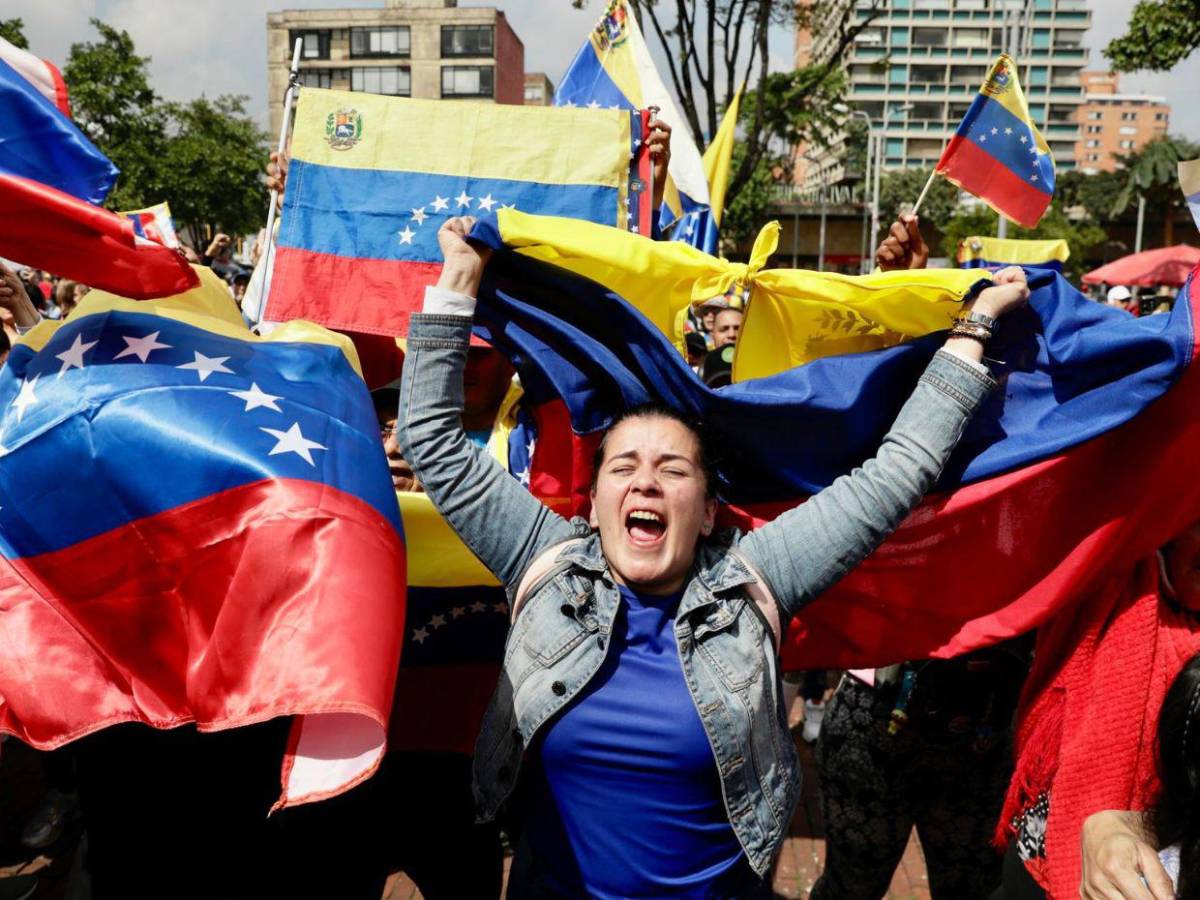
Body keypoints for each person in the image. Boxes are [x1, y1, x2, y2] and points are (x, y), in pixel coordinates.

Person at [396, 215, 1028, 897]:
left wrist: (976, 327)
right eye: (624, 467)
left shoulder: (756, 581)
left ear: (705, 512)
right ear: (594, 498)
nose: (645, 481)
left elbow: (896, 472)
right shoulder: (544, 561)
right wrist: (460, 274)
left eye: (672, 469)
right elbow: (430, 436)